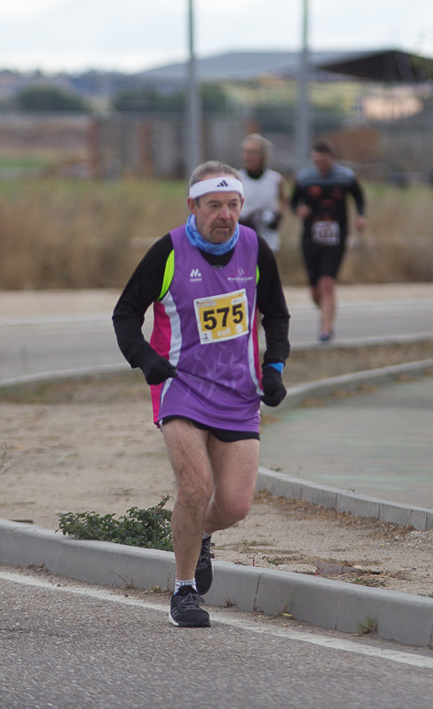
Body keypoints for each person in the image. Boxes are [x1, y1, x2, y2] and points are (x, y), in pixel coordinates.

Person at [112, 161, 290, 628]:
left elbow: (277, 314)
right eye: (214, 205)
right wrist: (146, 360)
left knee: (234, 505)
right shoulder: (168, 251)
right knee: (195, 487)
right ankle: (184, 590)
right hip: (181, 387)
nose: (225, 215)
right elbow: (125, 313)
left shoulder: (255, 249)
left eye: (233, 205)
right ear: (193, 206)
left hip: (239, 392)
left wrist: (273, 368)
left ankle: (200, 534)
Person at [290, 138, 367, 342]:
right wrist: (299, 210)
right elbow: (293, 201)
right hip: (310, 237)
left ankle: (325, 329)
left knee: (327, 283)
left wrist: (361, 216)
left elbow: (359, 198)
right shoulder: (305, 177)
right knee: (315, 289)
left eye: (325, 162)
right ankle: (325, 311)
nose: (321, 167)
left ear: (333, 158)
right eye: (317, 162)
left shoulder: (346, 177)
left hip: (336, 237)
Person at [237, 134, 288, 253]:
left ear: (263, 155)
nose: (247, 157)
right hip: (243, 237)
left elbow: (284, 200)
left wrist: (278, 217)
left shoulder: (276, 179)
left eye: (253, 152)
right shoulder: (237, 178)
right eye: (245, 152)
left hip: (268, 239)